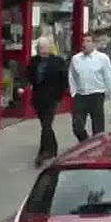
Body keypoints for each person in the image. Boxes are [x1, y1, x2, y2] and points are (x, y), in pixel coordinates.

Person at [68, 34, 111, 141]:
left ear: (94, 44)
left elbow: (109, 78)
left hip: (97, 95)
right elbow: (72, 76)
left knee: (98, 129)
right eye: (83, 41)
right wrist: (74, 93)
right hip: (81, 96)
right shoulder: (76, 59)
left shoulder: (102, 58)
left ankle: (97, 146)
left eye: (88, 41)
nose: (84, 44)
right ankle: (87, 143)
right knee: (77, 126)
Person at [26, 37, 67, 167]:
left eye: (45, 47)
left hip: (52, 98)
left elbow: (63, 80)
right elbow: (28, 76)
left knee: (46, 124)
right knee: (45, 124)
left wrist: (59, 97)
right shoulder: (34, 61)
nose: (43, 49)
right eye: (40, 47)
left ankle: (43, 153)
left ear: (49, 48)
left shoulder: (57, 61)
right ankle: (53, 147)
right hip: (39, 99)